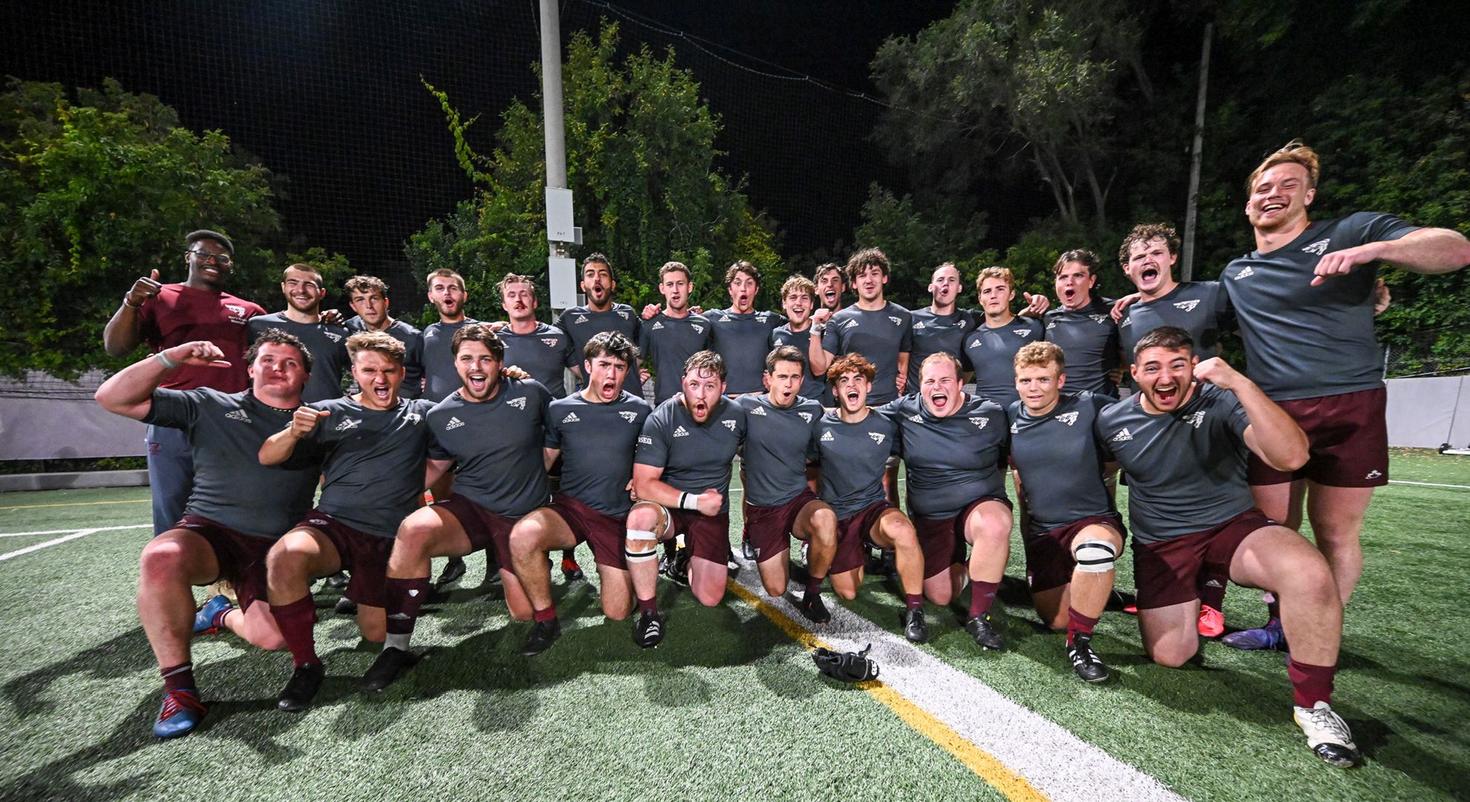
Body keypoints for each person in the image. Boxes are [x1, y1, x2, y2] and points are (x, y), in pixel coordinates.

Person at [1218, 142, 1470, 650]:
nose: (1273, 194)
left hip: (1351, 402)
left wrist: (1377, 252)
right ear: (1248, 205)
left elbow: (1456, 249)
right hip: (1274, 410)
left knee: (1334, 533)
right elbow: (1194, 315)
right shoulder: (1236, 273)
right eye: (1263, 188)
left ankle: (1318, 629)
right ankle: (1280, 626)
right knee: (1272, 528)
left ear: (1310, 194)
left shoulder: (1351, 232)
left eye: (1288, 185)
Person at [1099, 326, 1359, 767]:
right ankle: (1198, 587)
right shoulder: (1112, 419)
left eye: (1177, 365)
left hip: (1230, 528)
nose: (1166, 377)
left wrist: (1241, 382)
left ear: (1194, 369)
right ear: (1133, 374)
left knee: (1308, 572)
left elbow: (1292, 457)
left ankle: (1315, 705)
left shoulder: (1220, 402)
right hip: (1162, 544)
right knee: (1171, 656)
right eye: (1153, 368)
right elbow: (1099, 474)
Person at [95, 330, 321, 738]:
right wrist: (171, 358)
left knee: (272, 639)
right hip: (211, 532)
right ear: (249, 368)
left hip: (275, 547)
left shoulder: (318, 421)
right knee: (161, 556)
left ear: (305, 376)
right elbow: (113, 398)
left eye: (290, 363)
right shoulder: (209, 404)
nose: (277, 369)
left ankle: (219, 611)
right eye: (267, 360)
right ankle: (180, 690)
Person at [361, 324, 552, 690]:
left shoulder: (530, 393)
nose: (476, 366)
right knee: (414, 529)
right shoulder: (442, 414)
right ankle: (396, 648)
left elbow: (560, 436)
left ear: (499, 363)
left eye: (485, 358)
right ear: (455, 363)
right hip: (473, 507)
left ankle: (521, 567)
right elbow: (434, 468)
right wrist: (384, 503)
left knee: (523, 613)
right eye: (467, 358)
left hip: (520, 517)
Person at [257, 331, 436, 711]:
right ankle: (306, 664)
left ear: (402, 372)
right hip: (335, 524)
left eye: (389, 370)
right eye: (370, 370)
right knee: (285, 556)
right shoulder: (328, 412)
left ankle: (374, 616)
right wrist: (292, 431)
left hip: (389, 536)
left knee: (374, 634)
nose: (380, 379)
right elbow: (267, 457)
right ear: (354, 371)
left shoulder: (421, 414)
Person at [102, 229, 266, 535]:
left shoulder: (249, 311)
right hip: (173, 415)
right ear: (188, 258)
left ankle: (231, 578)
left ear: (231, 265)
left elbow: (276, 350)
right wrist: (131, 302)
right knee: (172, 505)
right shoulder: (158, 297)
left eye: (222, 258)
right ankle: (170, 574)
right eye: (203, 254)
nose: (212, 261)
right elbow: (115, 348)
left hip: (230, 418)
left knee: (239, 503)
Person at [507, 332, 653, 655]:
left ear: (627, 371)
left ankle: (612, 572)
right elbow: (543, 461)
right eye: (603, 365)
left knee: (617, 611)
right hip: (571, 509)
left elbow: (652, 462)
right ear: (587, 366)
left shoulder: (641, 411)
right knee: (524, 536)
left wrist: (641, 480)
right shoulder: (560, 410)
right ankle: (546, 621)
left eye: (618, 366)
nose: (611, 374)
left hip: (615, 515)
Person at [1007, 341, 1125, 682]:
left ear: (1061, 380)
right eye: (1026, 380)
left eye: (1044, 379)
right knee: (1056, 619)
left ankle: (1081, 645)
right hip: (1045, 530)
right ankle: (1094, 587)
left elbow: (1136, 420)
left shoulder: (1089, 405)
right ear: (1016, 382)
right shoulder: (1010, 416)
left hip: (1091, 520)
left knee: (1095, 553)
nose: (1034, 388)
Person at [879, 353, 1012, 649]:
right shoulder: (903, 410)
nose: (936, 387)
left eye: (945, 380)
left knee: (993, 524)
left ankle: (979, 616)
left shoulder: (991, 413)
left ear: (961, 384)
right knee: (939, 594)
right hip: (932, 516)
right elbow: (861, 416)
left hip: (979, 504)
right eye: (930, 381)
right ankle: (985, 560)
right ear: (919, 386)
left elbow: (1015, 453)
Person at [624, 351, 748, 648]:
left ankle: (683, 557)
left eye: (710, 386)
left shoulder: (737, 415)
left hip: (710, 513)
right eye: (694, 385)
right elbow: (643, 484)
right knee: (640, 520)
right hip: (672, 505)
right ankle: (649, 613)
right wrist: (694, 501)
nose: (700, 394)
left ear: (724, 387)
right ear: (683, 384)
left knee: (710, 596)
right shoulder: (662, 417)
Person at [816, 354, 929, 643]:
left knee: (903, 531)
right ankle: (835, 551)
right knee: (848, 591)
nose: (851, 386)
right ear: (835, 390)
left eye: (858, 379)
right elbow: (808, 470)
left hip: (872, 510)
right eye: (843, 381)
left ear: (868, 386)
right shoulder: (820, 425)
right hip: (837, 515)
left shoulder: (886, 424)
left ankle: (915, 609)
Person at [734, 346, 837, 623]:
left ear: (802, 380)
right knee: (776, 589)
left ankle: (813, 594)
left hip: (797, 500)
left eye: (794, 377)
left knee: (826, 518)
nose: (788, 384)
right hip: (763, 509)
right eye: (782, 376)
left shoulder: (812, 409)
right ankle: (756, 537)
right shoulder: (745, 407)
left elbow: (832, 437)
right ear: (767, 379)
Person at [496, 272, 587, 582]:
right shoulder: (494, 341)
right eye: (512, 295)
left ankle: (569, 557)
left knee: (562, 491)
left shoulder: (557, 337)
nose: (519, 299)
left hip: (557, 429)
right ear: (504, 303)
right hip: (514, 430)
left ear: (534, 301)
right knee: (522, 492)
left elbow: (584, 373)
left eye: (524, 294)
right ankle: (531, 554)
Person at [419, 268, 479, 587]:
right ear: (431, 296)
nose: (447, 294)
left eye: (453, 288)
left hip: (476, 424)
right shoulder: (424, 335)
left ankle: (497, 561)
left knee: (483, 491)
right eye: (440, 288)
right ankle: (454, 561)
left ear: (463, 295)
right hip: (440, 427)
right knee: (440, 494)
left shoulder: (481, 331)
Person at [809, 247, 912, 405]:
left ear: (884, 278)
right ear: (854, 283)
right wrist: (815, 328)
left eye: (875, 273)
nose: (869, 280)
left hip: (891, 407)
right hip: (851, 407)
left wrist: (901, 381)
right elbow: (819, 368)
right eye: (862, 275)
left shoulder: (903, 316)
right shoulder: (839, 319)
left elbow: (902, 362)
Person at [248, 264, 350, 403]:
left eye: (309, 284)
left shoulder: (340, 332)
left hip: (327, 419)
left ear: (322, 293)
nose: (300, 290)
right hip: (272, 418)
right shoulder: (257, 326)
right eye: (293, 283)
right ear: (283, 287)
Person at [554, 253, 645, 398]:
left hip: (631, 403)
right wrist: (577, 368)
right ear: (583, 285)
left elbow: (649, 337)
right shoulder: (570, 317)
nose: (597, 278)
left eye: (602, 274)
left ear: (612, 284)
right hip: (593, 402)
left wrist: (633, 367)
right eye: (590, 274)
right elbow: (549, 339)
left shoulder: (627, 313)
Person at [964, 266, 1047, 410]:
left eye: (1000, 289)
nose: (993, 295)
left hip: (1026, 416)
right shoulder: (970, 340)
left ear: (1011, 294)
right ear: (980, 298)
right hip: (986, 418)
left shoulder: (1035, 328)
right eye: (987, 291)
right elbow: (961, 380)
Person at [1044, 250, 1122, 396]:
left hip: (1101, 409)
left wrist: (1121, 367)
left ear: (1091, 281)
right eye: (1063, 277)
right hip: (1059, 409)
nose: (1069, 282)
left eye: (1078, 275)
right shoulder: (1047, 318)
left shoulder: (1114, 310)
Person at [706, 262, 785, 395]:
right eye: (737, 283)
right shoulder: (712, 318)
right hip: (724, 400)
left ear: (756, 289)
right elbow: (685, 321)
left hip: (760, 401)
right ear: (730, 289)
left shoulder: (772, 320)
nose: (743, 288)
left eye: (749, 283)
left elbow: (799, 323)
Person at [638, 261, 711, 404]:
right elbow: (633, 362)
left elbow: (714, 367)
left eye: (680, 284)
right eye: (670, 284)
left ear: (689, 287)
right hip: (663, 405)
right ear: (662, 288)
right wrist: (634, 377)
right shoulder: (649, 324)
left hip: (698, 404)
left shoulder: (704, 324)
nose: (675, 290)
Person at [344, 275, 424, 399]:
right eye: (360, 300)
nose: (368, 305)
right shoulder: (349, 328)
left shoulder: (413, 337)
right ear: (353, 306)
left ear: (385, 302)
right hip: (370, 410)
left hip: (405, 411)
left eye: (374, 298)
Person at [768, 276, 828, 403]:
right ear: (784, 303)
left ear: (811, 304)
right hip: (784, 406)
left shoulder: (824, 332)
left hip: (815, 404)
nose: (798, 303)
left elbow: (821, 370)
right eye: (793, 297)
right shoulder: (775, 334)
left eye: (804, 298)